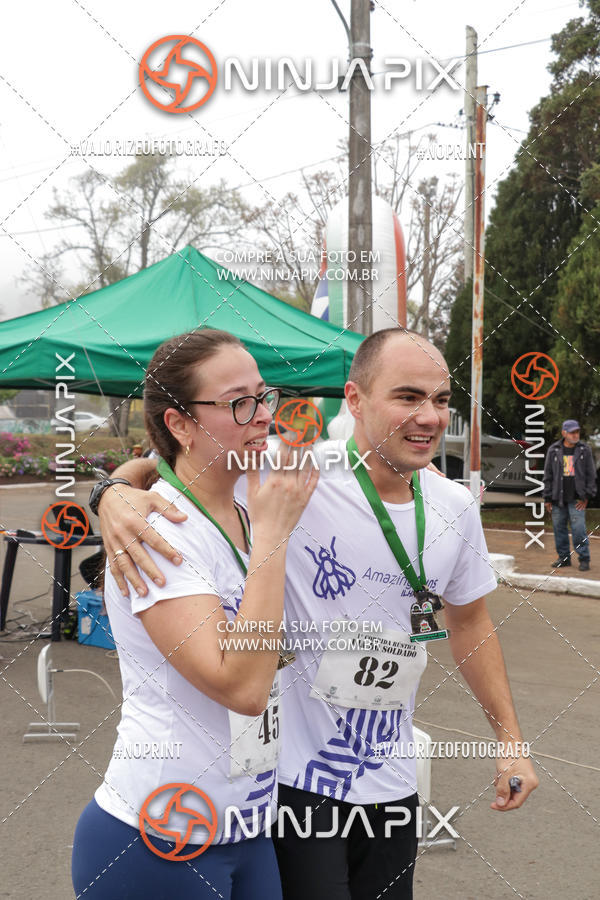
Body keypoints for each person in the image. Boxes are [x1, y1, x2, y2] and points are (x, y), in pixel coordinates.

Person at [97, 328, 538, 900]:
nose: (428, 416)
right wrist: (112, 490)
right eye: (407, 397)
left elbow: (471, 622)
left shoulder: (454, 507)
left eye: (442, 400)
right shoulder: (289, 469)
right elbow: (176, 458)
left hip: (392, 779)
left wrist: (510, 738)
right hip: (294, 783)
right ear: (354, 400)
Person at [72, 330, 318, 900]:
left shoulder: (246, 510)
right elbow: (241, 686)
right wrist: (275, 539)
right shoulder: (159, 531)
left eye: (265, 396)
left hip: (248, 828)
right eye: (239, 402)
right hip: (159, 837)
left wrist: (112, 484)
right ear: (181, 424)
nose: (262, 417)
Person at [543, 419, 597, 571]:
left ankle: (584, 559)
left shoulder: (584, 450)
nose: (575, 435)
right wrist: (547, 498)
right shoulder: (553, 450)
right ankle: (564, 558)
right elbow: (548, 475)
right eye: (572, 432)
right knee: (559, 530)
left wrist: (586, 496)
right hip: (557, 499)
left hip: (577, 499)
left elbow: (591, 476)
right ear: (564, 433)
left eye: (577, 432)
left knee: (579, 530)